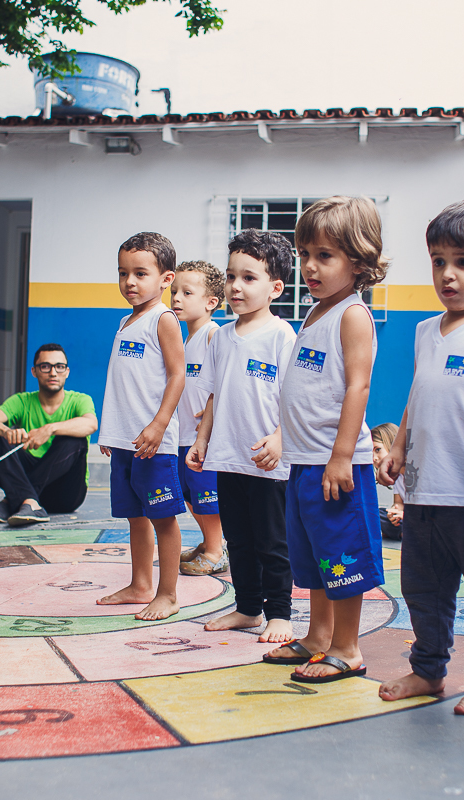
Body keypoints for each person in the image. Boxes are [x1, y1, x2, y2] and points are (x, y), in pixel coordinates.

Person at [375, 199, 464, 717]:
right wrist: (397, 446)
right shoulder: (424, 332)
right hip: (423, 488)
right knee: (422, 588)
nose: (448, 274)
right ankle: (429, 669)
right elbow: (420, 393)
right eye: (438, 261)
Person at [264, 196, 387, 684]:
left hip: (337, 464)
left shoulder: (352, 315)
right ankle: (317, 636)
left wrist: (341, 456)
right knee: (312, 555)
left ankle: (347, 646)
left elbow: (358, 386)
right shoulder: (316, 313)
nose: (310, 267)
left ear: (358, 261)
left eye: (325, 256)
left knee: (341, 555)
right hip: (304, 461)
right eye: (305, 255)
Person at [187, 230, 298, 643]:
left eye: (249, 278)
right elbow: (215, 394)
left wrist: (281, 437)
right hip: (227, 457)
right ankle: (248, 608)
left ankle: (280, 614)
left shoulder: (282, 336)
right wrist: (202, 440)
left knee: (272, 542)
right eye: (232, 276)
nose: (236, 286)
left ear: (276, 288)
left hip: (267, 461)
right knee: (239, 540)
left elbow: (294, 396)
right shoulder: (221, 337)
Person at [95, 232, 187, 621]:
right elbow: (122, 381)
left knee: (162, 517)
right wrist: (109, 433)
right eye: (123, 273)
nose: (129, 282)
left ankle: (167, 593)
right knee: (135, 515)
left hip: (154, 443)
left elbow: (178, 374)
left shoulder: (163, 319)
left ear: (165, 279)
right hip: (124, 441)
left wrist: (159, 425)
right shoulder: (125, 321)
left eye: (140, 273)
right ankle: (140, 584)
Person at [0, 344, 98, 526]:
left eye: (59, 367)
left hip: (65, 494)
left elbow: (91, 424)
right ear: (34, 371)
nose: (53, 373)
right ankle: (29, 501)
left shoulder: (80, 400)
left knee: (75, 439)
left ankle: (12, 501)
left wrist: (50, 429)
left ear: (67, 371)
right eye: (45, 366)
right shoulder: (22, 401)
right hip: (28, 479)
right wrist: (7, 431)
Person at [170, 260, 228, 576]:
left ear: (210, 302)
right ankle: (209, 542)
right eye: (174, 290)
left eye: (186, 292)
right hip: (182, 436)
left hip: (203, 438)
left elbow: (225, 380)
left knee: (207, 497)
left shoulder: (212, 335)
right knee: (190, 495)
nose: (176, 298)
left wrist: (212, 411)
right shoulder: (186, 339)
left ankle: (217, 551)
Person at [369, 423, 405, 540]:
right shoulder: (397, 476)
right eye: (371, 453)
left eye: (378, 450)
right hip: (405, 520)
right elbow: (399, 503)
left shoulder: (414, 472)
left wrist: (406, 516)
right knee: (373, 513)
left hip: (421, 517)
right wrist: (395, 511)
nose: (374, 458)